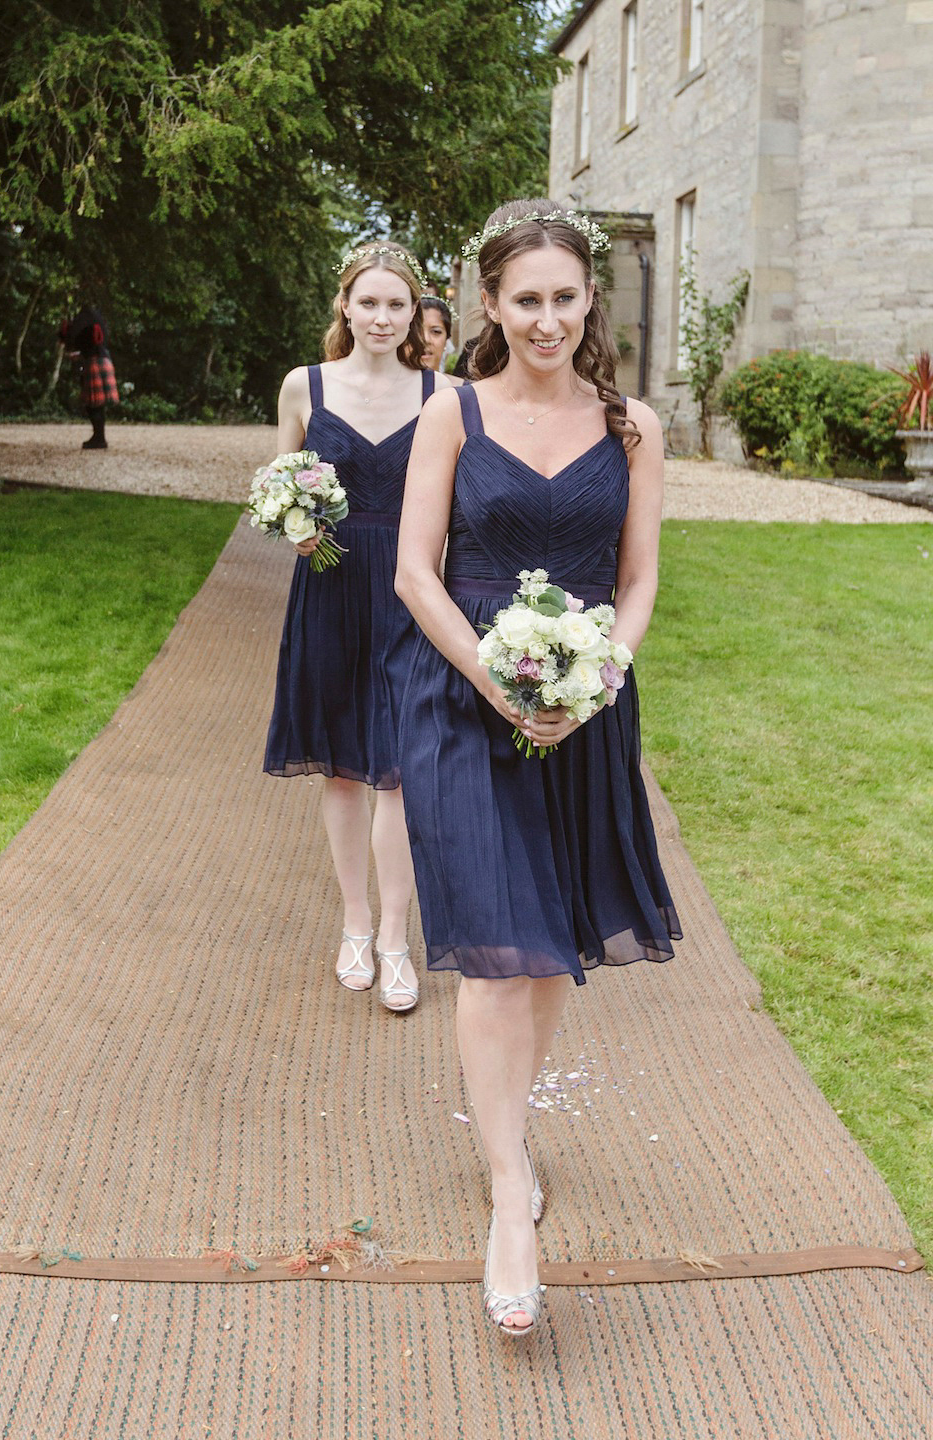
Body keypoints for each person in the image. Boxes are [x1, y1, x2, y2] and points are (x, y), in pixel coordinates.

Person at [395, 199, 681, 1331]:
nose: (550, 318)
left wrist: (596, 673)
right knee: (494, 956)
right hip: (464, 699)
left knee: (553, 943)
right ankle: (510, 1191)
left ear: (588, 301)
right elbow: (418, 573)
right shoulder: (451, 416)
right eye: (528, 299)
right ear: (490, 304)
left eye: (567, 297)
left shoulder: (634, 427)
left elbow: (641, 576)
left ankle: (506, 1132)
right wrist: (495, 678)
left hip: (586, 706)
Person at [264, 243, 458, 1013]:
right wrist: (294, 531)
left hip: (412, 590)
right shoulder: (303, 387)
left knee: (402, 770)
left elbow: (459, 507)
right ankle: (353, 924)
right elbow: (275, 486)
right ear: (345, 304)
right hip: (330, 584)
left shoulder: (445, 394)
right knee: (344, 769)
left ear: (417, 316)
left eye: (397, 305)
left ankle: (394, 939)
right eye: (368, 302)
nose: (381, 317)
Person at [58, 307, 118, 450]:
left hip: (94, 362)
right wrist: (80, 354)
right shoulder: (94, 320)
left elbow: (72, 339)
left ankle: (99, 438)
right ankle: (99, 437)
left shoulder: (82, 321)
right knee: (98, 404)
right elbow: (93, 345)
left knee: (93, 403)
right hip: (105, 359)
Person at [420, 295, 454, 373]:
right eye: (416, 331)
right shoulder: (386, 385)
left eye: (436, 331)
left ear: (446, 340)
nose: (426, 339)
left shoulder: (463, 385)